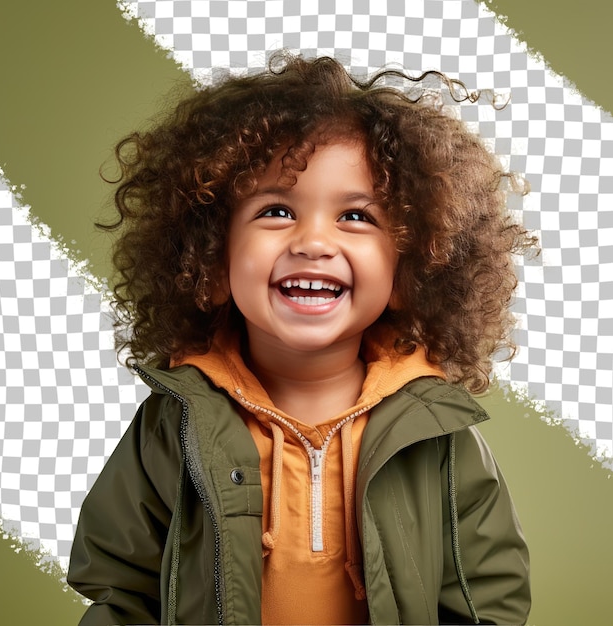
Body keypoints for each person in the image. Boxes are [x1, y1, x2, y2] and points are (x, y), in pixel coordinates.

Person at [67, 52, 533, 625]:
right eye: (278, 209)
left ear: (408, 273)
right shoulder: (174, 425)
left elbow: (485, 596)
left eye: (357, 217)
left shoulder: (436, 433)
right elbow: (119, 587)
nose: (314, 241)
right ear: (211, 263)